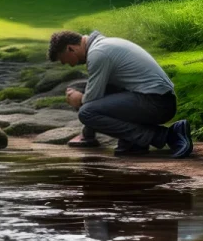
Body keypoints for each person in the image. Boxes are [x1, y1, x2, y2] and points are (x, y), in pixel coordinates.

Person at [47, 29, 193, 158]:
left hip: (156, 103)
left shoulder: (98, 53)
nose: (70, 65)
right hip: (157, 99)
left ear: (70, 49)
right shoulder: (103, 45)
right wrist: (88, 135)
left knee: (86, 112)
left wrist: (79, 100)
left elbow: (92, 100)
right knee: (88, 92)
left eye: (65, 61)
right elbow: (102, 92)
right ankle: (134, 143)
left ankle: (168, 136)